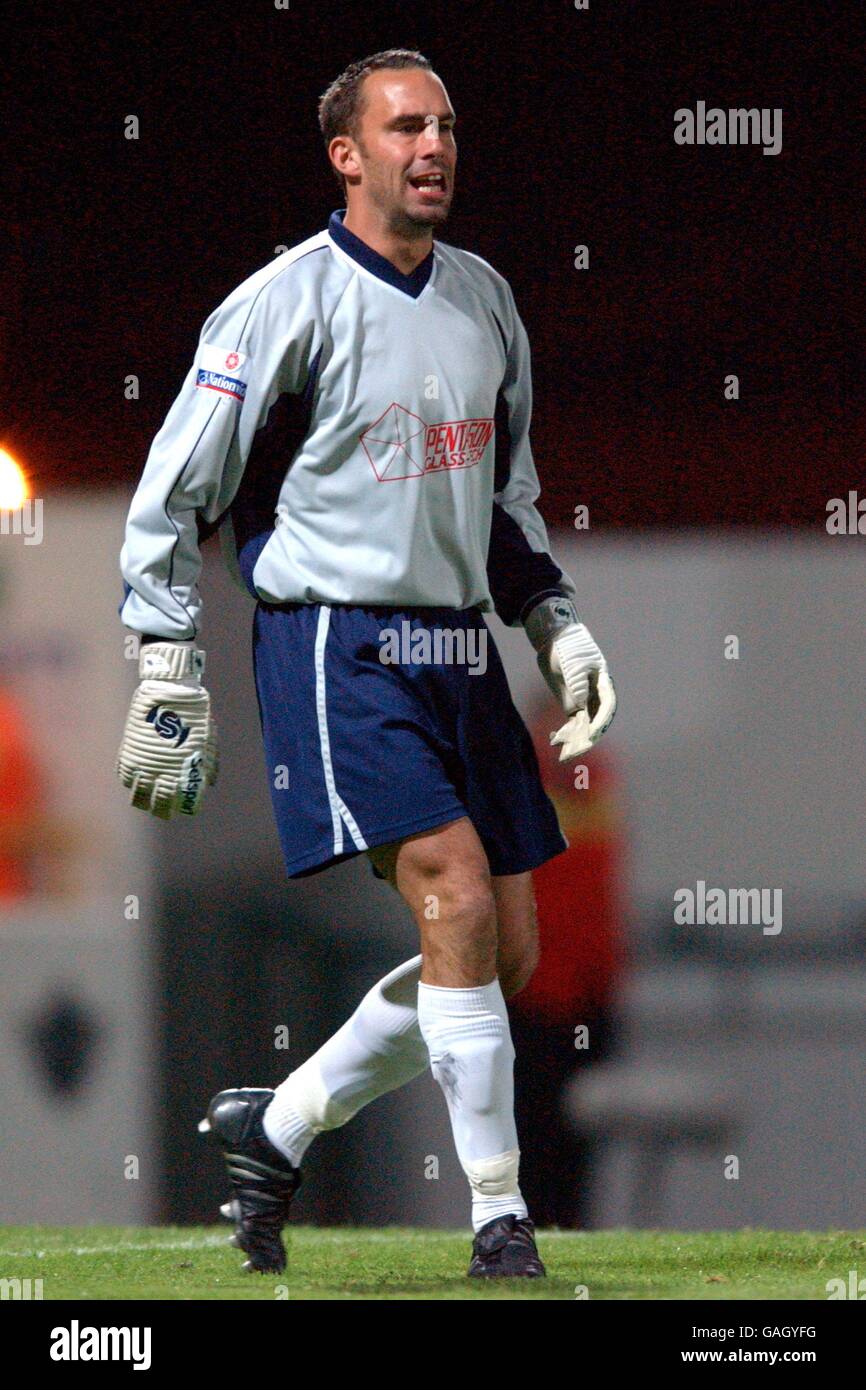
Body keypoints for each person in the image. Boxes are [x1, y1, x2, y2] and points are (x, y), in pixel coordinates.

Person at [116, 49, 616, 1280]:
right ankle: (499, 1217)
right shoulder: (282, 299)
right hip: (336, 639)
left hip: (459, 647)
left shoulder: (487, 298)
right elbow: (179, 482)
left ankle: (273, 1125)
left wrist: (550, 618)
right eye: (404, 128)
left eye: (444, 124)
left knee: (500, 953)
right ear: (347, 154)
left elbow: (504, 497)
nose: (432, 146)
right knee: (447, 890)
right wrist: (163, 647)